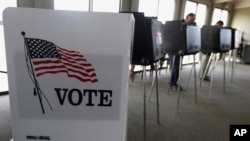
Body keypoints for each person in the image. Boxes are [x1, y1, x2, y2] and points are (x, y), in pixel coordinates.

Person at [169, 13, 196, 90]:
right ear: (187, 18)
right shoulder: (178, 25)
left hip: (181, 49)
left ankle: (173, 82)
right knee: (175, 67)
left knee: (177, 67)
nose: (193, 21)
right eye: (192, 19)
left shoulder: (189, 26)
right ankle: (173, 84)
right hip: (173, 48)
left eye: (194, 20)